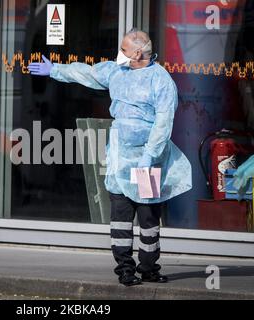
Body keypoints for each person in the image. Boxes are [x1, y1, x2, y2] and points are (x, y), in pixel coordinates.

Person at [28, 29, 192, 287]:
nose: (120, 54)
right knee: (121, 216)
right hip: (120, 158)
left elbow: (163, 123)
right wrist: (56, 70)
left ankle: (148, 267)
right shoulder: (117, 71)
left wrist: (149, 156)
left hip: (146, 160)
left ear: (137, 53)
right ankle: (125, 269)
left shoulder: (160, 81)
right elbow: (89, 73)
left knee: (149, 218)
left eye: (124, 50)